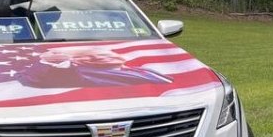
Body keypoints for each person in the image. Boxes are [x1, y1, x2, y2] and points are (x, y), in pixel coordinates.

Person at [18, 46, 173, 88]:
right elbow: (38, 76)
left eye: (105, 54)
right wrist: (46, 58)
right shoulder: (78, 74)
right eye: (91, 56)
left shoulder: (142, 70)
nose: (102, 56)